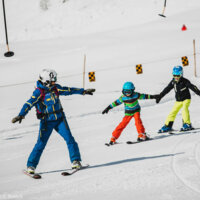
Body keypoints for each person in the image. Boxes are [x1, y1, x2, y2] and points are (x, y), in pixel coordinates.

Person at [12, 69, 95, 174]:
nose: (54, 82)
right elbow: (29, 103)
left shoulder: (55, 88)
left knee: (70, 139)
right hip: (47, 121)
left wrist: (83, 91)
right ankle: (31, 166)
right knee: (41, 143)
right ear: (46, 81)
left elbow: (69, 90)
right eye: (52, 81)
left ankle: (76, 161)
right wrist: (21, 115)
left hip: (60, 119)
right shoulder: (39, 92)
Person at [156, 66, 200, 132]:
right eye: (174, 75)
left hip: (186, 99)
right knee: (172, 112)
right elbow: (167, 89)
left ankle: (187, 124)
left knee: (184, 109)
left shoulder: (185, 81)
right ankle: (168, 125)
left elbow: (193, 87)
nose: (176, 77)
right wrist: (160, 96)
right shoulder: (173, 82)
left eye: (178, 75)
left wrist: (199, 93)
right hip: (178, 101)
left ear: (181, 74)